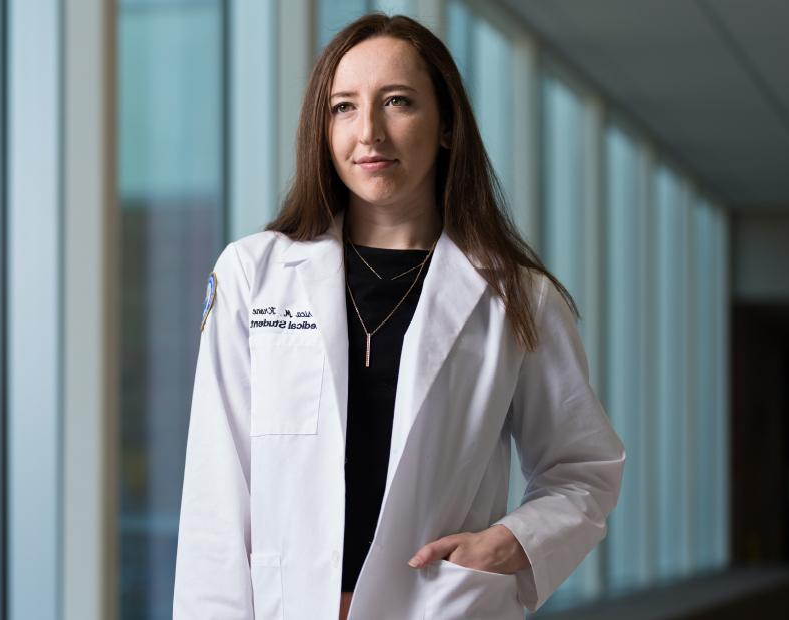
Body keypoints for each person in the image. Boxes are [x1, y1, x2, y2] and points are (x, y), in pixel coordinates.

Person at [172, 13, 624, 620]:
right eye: (344, 108)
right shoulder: (254, 275)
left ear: (444, 126)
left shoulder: (516, 296)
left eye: (398, 103)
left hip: (439, 606)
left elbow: (584, 467)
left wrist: (510, 544)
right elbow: (216, 492)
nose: (369, 133)